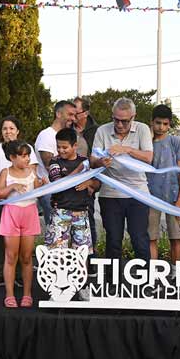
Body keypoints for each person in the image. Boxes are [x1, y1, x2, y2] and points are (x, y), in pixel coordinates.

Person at [91, 98, 154, 262]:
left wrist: (126, 149)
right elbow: (92, 160)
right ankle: (112, 284)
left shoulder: (142, 129)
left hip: (138, 193)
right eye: (116, 119)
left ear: (133, 117)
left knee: (139, 239)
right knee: (113, 240)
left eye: (124, 121)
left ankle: (145, 282)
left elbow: (148, 157)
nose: (119, 125)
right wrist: (100, 161)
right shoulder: (102, 131)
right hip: (110, 194)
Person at [0, 116, 40, 288]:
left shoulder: (27, 149)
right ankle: (0, 274)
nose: (8, 132)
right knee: (0, 241)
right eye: (5, 128)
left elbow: (32, 172)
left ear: (18, 131)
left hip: (23, 202)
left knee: (23, 244)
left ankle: (21, 276)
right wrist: (5, 188)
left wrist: (20, 189)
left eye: (12, 128)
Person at [0, 140, 47, 308]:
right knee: (11, 256)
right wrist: (12, 186)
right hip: (11, 213)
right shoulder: (5, 172)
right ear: (12, 157)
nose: (26, 159)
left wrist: (42, 183)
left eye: (28, 156)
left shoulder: (32, 170)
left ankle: (27, 294)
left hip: (29, 213)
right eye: (23, 156)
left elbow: (37, 188)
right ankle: (9, 294)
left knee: (26, 256)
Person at [46, 128, 98, 254]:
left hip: (81, 212)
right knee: (56, 253)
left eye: (64, 147)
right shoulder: (54, 161)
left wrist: (89, 183)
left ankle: (81, 274)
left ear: (75, 146)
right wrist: (80, 170)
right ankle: (58, 274)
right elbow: (59, 184)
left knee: (82, 253)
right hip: (60, 212)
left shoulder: (85, 161)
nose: (60, 150)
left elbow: (97, 183)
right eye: (58, 147)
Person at [147, 105, 180, 267]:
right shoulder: (146, 142)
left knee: (176, 236)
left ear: (169, 124)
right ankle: (154, 273)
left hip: (173, 195)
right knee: (151, 236)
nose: (161, 127)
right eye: (158, 123)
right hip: (149, 196)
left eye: (165, 124)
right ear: (152, 122)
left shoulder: (175, 142)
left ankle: (176, 272)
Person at [35, 100, 77, 225]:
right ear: (58, 114)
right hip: (51, 192)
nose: (73, 119)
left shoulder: (68, 135)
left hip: (66, 191)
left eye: (74, 115)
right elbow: (50, 166)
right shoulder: (46, 135)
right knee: (56, 232)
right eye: (70, 114)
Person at [74, 96, 100, 252]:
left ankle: (90, 260)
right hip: (68, 184)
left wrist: (93, 183)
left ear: (85, 113)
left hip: (88, 184)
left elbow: (98, 158)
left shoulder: (96, 131)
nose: (73, 116)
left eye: (76, 112)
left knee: (88, 222)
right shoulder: (67, 128)